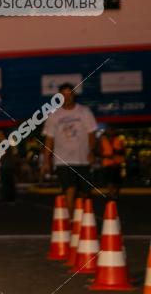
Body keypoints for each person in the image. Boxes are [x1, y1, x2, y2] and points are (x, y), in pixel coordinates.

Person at [43, 83, 97, 215]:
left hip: (82, 158)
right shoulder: (53, 115)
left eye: (69, 94)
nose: (67, 97)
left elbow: (92, 133)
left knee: (85, 191)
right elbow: (49, 139)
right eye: (63, 95)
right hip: (63, 160)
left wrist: (91, 151)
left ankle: (84, 218)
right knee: (69, 188)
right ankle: (72, 219)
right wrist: (46, 161)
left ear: (74, 95)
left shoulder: (84, 111)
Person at [99, 125, 125, 201]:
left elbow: (123, 151)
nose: (110, 132)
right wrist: (105, 156)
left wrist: (117, 152)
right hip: (107, 163)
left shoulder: (119, 139)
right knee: (109, 180)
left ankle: (115, 193)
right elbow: (99, 152)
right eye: (109, 130)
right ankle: (111, 194)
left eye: (112, 130)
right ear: (106, 131)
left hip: (117, 163)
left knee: (118, 181)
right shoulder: (102, 140)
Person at [0, 130, 17, 204]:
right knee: (9, 182)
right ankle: (11, 198)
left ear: (1, 135)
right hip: (9, 164)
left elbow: (2, 155)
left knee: (6, 182)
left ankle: (7, 198)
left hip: (6, 165)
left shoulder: (3, 143)